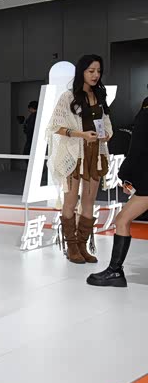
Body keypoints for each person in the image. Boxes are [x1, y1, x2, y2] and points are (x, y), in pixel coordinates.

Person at [47, 54, 112, 264]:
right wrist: (81, 135)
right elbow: (55, 126)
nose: (95, 75)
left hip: (96, 154)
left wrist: (107, 134)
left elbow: (107, 123)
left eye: (98, 71)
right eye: (91, 71)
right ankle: (71, 246)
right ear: (82, 72)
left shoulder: (100, 96)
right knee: (70, 200)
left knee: (89, 201)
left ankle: (83, 245)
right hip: (74, 154)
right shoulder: (68, 97)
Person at [87, 94, 148, 287]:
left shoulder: (145, 114)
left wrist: (126, 174)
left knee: (122, 220)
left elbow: (138, 148)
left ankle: (115, 271)